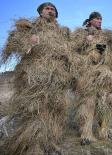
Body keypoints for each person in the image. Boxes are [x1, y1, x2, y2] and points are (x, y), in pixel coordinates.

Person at [1, 2, 72, 154]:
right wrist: (28, 41)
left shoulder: (63, 32)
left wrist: (68, 55)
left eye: (53, 9)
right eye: (47, 9)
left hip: (58, 78)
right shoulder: (29, 26)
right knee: (35, 114)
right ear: (40, 12)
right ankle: (35, 148)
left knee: (55, 112)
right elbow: (10, 46)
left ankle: (50, 143)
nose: (50, 11)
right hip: (34, 78)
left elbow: (73, 55)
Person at [71, 11, 112, 145]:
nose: (100, 21)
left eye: (101, 19)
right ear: (90, 21)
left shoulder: (106, 35)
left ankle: (104, 130)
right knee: (88, 103)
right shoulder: (81, 33)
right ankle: (86, 134)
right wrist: (85, 40)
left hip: (105, 74)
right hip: (88, 73)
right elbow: (72, 50)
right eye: (96, 19)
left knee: (105, 103)